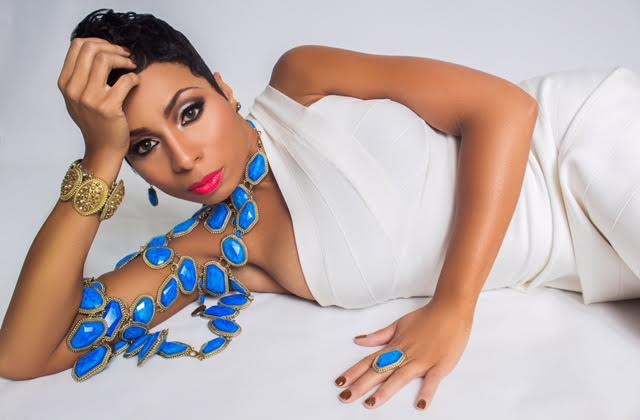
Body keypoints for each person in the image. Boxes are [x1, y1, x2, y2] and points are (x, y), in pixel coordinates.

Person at [1, 7, 639, 413]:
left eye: (189, 111)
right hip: (583, 266)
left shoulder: (300, 84)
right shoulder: (209, 253)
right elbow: (23, 355)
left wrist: (453, 306)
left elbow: (506, 109)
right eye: (143, 146)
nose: (184, 157)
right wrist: (98, 161)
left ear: (224, 89)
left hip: (581, 147)